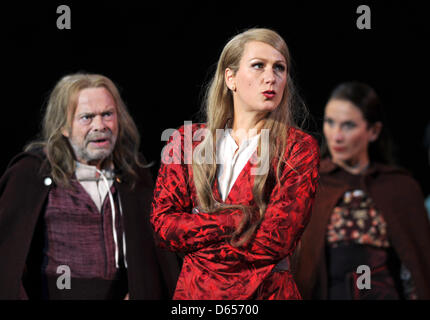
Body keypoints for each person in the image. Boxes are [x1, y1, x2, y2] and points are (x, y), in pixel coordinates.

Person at [150, 28, 320, 300]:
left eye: (279, 68)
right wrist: (241, 218)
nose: (271, 77)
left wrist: (200, 230)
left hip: (267, 293)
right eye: (258, 66)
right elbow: (164, 227)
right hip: (197, 296)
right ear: (230, 78)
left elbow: (276, 240)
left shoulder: (298, 147)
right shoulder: (187, 141)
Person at [0, 73, 180, 299]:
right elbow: (6, 262)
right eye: (87, 117)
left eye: (107, 114)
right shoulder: (31, 173)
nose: (100, 125)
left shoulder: (134, 177)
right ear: (63, 126)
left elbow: (156, 259)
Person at [293, 82, 430, 299]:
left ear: (373, 131)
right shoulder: (309, 183)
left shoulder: (398, 186)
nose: (336, 136)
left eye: (348, 126)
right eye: (330, 122)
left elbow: (416, 268)